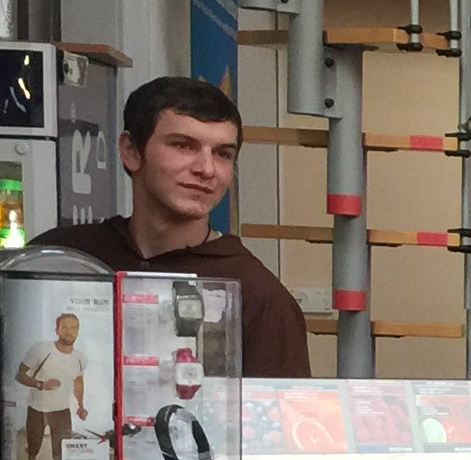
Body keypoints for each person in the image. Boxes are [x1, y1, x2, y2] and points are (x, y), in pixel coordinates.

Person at [34, 75, 309, 375]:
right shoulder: (61, 259)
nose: (206, 169)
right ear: (131, 151)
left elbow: (279, 406)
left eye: (223, 154)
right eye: (184, 145)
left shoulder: (257, 295)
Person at [13, 308, 87, 460]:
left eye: (73, 328)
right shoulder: (41, 349)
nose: (69, 331)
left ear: (78, 332)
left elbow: (78, 382)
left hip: (62, 411)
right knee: (33, 449)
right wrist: (41, 384)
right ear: (57, 330)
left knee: (60, 456)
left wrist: (81, 406)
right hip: (37, 408)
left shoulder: (80, 358)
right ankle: (32, 451)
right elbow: (19, 375)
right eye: (64, 327)